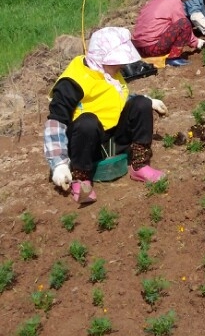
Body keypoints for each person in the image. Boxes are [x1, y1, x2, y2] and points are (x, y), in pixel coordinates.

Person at [44, 27, 167, 205]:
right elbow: (55, 122)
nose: (121, 66)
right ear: (100, 58)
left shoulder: (111, 73)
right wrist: (59, 163)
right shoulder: (72, 82)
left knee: (141, 103)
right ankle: (81, 179)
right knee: (87, 122)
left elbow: (114, 98)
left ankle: (140, 165)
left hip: (112, 140)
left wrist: (148, 101)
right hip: (85, 146)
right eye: (116, 62)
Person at [132, 0, 204, 67]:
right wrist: (196, 42)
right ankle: (174, 58)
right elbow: (182, 24)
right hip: (153, 48)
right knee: (184, 23)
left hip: (139, 48)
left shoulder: (153, 1)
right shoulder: (174, 1)